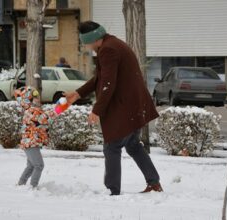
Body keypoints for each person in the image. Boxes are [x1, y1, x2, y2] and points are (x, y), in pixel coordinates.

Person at [65, 21, 163, 196]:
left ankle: (113, 190)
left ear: (93, 39)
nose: (87, 47)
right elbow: (100, 79)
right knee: (133, 145)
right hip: (134, 105)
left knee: (112, 146)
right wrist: (78, 94)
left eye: (86, 43)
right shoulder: (113, 44)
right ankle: (154, 183)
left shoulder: (108, 50)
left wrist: (97, 110)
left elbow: (107, 85)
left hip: (125, 106)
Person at [14, 86, 55, 189]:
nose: (38, 98)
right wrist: (61, 106)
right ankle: (33, 187)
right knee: (39, 165)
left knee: (31, 165)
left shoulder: (31, 110)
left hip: (30, 143)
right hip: (30, 143)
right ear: (28, 100)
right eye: (35, 97)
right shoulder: (32, 111)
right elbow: (46, 117)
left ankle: (21, 184)